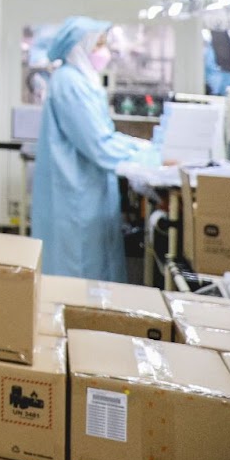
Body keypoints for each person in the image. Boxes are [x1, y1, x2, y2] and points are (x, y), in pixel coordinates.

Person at [31, 17, 159, 281]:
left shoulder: (82, 79)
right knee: (77, 266)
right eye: (98, 44)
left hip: (87, 186)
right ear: (80, 46)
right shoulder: (70, 83)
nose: (103, 51)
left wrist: (140, 146)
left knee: (92, 263)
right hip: (74, 191)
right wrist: (147, 156)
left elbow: (103, 134)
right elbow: (97, 144)